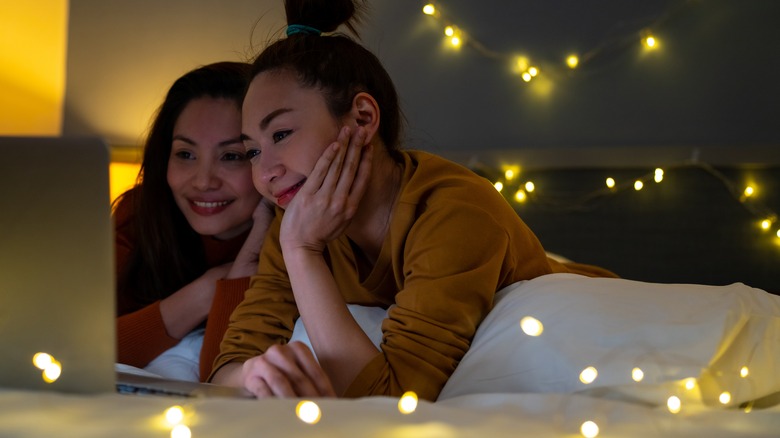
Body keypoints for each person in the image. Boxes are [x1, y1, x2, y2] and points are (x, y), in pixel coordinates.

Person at [210, 0, 617, 400]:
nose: (264, 174)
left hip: (607, 328)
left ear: (363, 118)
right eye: (252, 151)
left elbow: (393, 400)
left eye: (280, 135)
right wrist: (254, 376)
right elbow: (226, 367)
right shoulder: (298, 220)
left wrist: (302, 253)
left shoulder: (454, 212)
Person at [113, 61, 274, 382]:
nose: (203, 182)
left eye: (231, 156)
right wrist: (206, 291)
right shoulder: (141, 212)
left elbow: (215, 381)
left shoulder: (296, 239)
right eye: (185, 154)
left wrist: (245, 268)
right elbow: (84, 350)